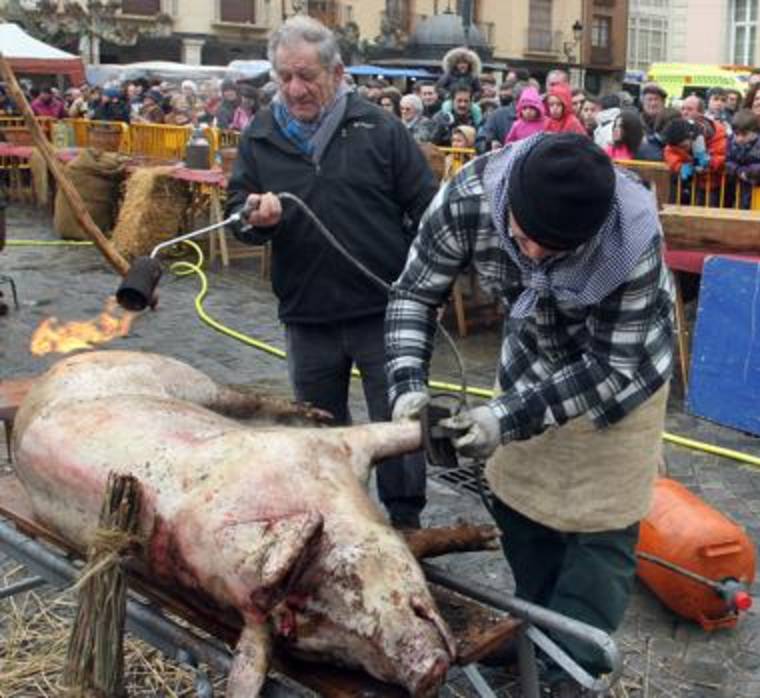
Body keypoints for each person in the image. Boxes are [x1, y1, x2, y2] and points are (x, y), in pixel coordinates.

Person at [385, 133, 674, 696]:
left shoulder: (633, 237)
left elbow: (608, 367)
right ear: (507, 203)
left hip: (621, 381)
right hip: (530, 359)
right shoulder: (466, 198)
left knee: (599, 535)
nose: (535, 256)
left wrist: (501, 419)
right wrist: (406, 385)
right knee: (521, 508)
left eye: (557, 250)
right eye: (525, 240)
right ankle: (534, 637)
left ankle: (574, 666)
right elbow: (415, 293)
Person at [226, 15, 437, 530]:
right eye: (284, 77)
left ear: (337, 72)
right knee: (317, 428)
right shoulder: (260, 136)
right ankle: (334, 519)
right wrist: (256, 221)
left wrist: (415, 286)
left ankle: (406, 522)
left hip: (381, 310)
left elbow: (428, 210)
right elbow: (236, 213)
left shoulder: (379, 129)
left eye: (306, 76)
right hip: (308, 313)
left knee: (398, 423)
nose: (295, 89)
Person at [724, 110, 760, 208]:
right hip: (738, 186)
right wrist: (738, 170)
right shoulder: (732, 141)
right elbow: (727, 160)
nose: (739, 138)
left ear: (756, 131)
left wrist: (755, 170)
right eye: (737, 134)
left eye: (744, 134)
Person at [478, 81, 528, 152]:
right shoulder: (497, 116)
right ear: (516, 99)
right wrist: (489, 145)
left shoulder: (541, 120)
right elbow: (480, 142)